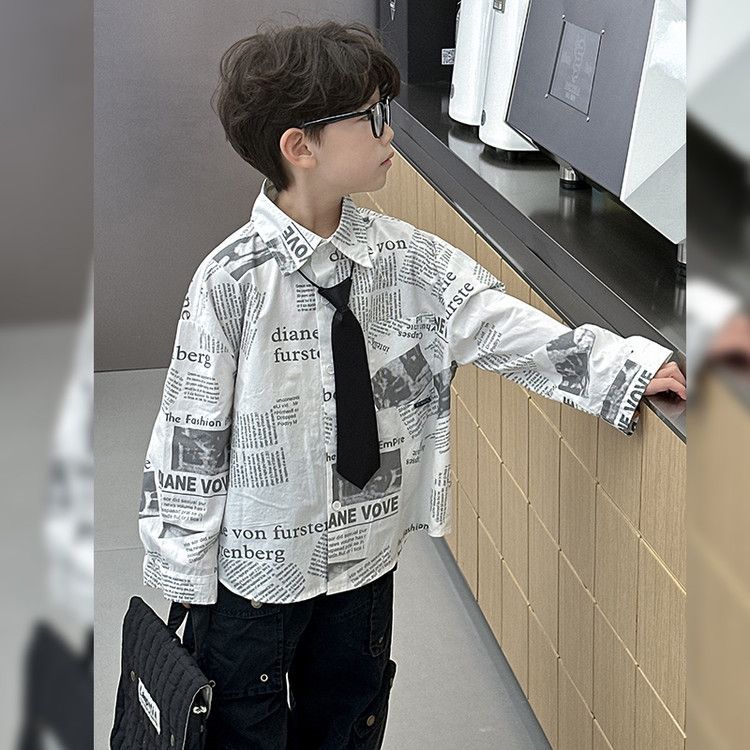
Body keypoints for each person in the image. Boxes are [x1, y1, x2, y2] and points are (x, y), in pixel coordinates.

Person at [137, 19, 687, 749]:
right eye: (371, 118)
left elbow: (497, 325)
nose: (389, 132)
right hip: (254, 579)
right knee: (244, 733)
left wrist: (622, 367)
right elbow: (192, 434)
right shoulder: (230, 283)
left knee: (348, 721)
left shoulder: (407, 260)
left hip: (365, 560)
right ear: (301, 147)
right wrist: (185, 578)